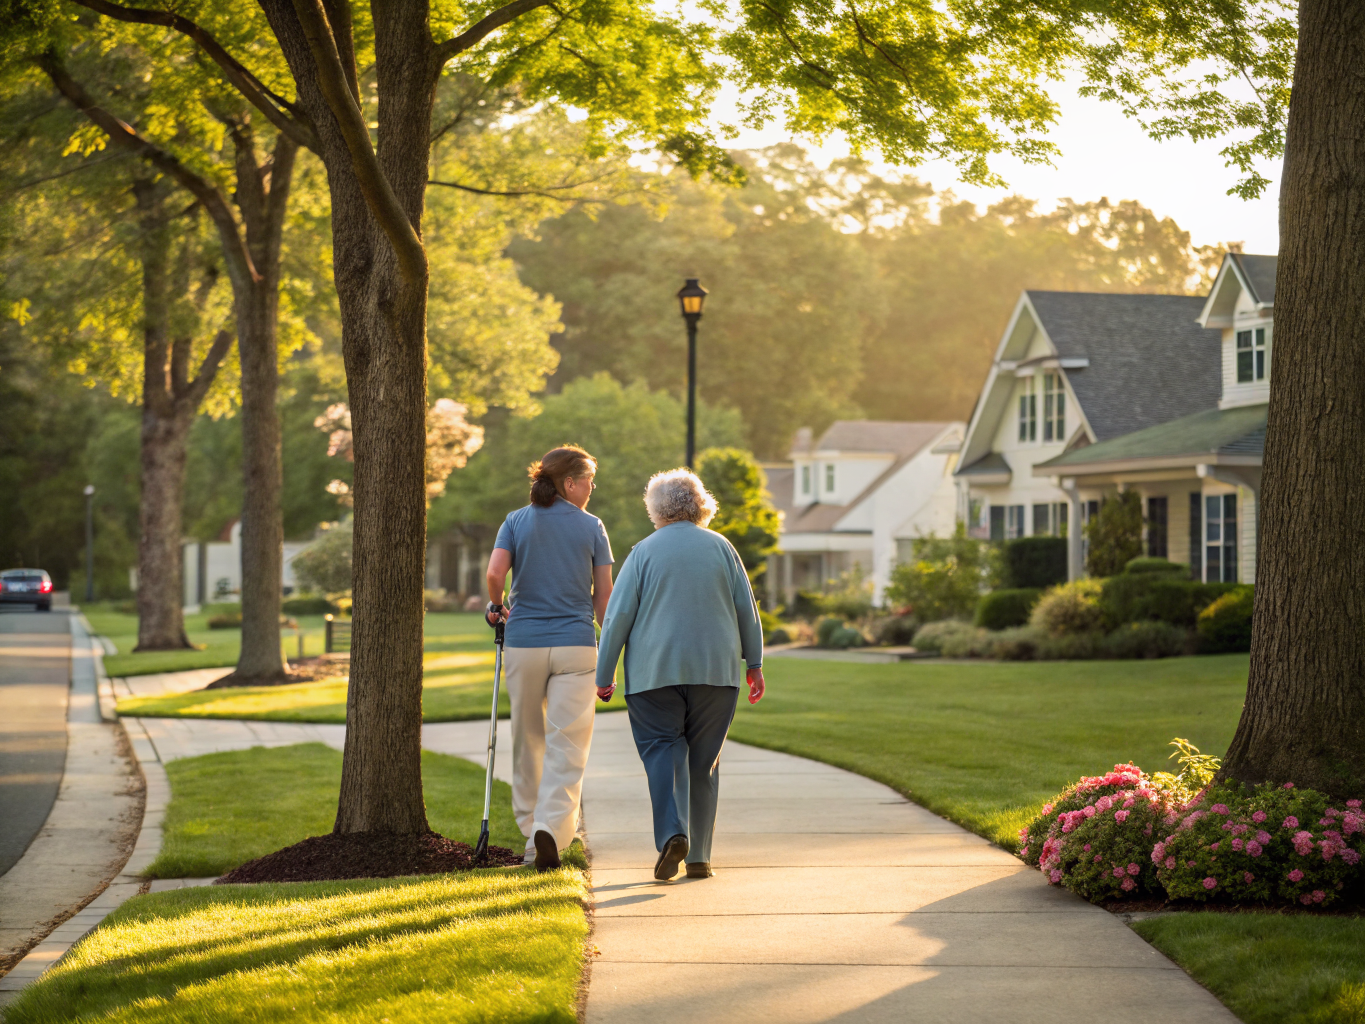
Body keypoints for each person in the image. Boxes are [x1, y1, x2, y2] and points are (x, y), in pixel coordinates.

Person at [595, 468, 764, 881]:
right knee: (705, 763)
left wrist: (605, 672)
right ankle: (700, 857)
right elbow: (747, 609)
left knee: (662, 748)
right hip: (716, 671)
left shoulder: (643, 552)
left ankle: (673, 832)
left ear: (656, 509)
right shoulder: (723, 548)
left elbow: (617, 618)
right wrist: (754, 664)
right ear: (700, 504)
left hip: (654, 673)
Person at [486, 445, 614, 871]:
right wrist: (611, 652)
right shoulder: (592, 526)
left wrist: (496, 605)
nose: (593, 488)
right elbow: (603, 597)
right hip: (576, 644)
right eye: (589, 480)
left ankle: (530, 829)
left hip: (524, 644)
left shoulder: (515, 521)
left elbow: (494, 574)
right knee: (569, 743)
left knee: (528, 738)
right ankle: (550, 831)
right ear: (570, 483)